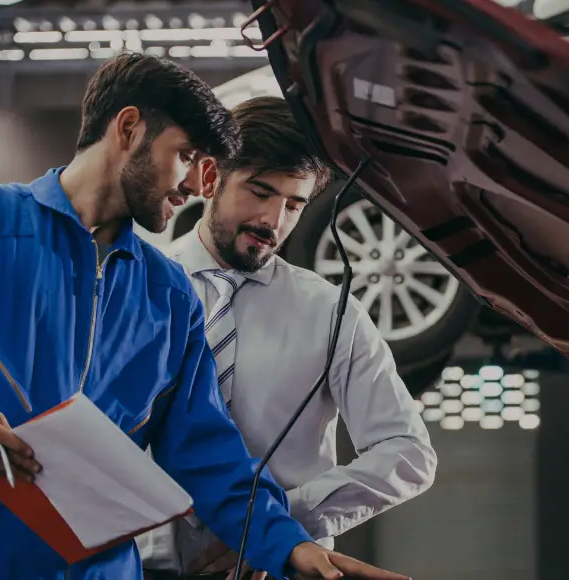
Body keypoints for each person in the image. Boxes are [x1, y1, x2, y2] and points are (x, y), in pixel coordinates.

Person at [0, 53, 410, 580]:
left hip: (103, 567)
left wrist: (289, 546)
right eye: (189, 156)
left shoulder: (167, 293)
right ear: (128, 128)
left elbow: (207, 453)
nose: (200, 184)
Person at [136, 97, 438, 579]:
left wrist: (276, 526)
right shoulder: (136, 288)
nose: (273, 222)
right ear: (211, 177)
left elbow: (408, 453)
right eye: (260, 192)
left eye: (294, 205)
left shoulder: (330, 313)